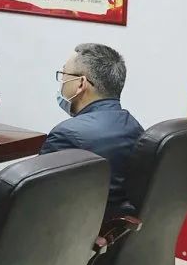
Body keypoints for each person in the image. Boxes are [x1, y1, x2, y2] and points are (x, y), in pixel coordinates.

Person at [42, 43, 144, 217]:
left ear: (81, 83)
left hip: (77, 230)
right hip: (115, 228)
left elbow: (35, 203)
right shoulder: (134, 127)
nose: (62, 83)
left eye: (64, 75)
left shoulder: (65, 136)